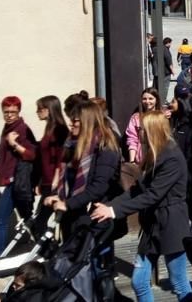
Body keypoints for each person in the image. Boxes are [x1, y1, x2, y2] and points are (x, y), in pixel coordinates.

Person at [90, 111, 192, 302]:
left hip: (171, 224)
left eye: (141, 129)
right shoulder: (156, 153)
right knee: (139, 281)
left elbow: (152, 195)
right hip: (153, 225)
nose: (139, 132)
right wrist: (110, 206)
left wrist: (113, 211)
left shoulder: (172, 157)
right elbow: (138, 189)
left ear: (153, 129)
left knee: (179, 283)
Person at [44, 99, 123, 299]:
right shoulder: (75, 144)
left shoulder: (105, 146)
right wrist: (57, 197)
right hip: (76, 216)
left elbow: (98, 188)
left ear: (87, 121)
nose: (72, 125)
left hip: (96, 217)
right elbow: (67, 178)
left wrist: (67, 203)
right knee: (78, 270)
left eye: (76, 121)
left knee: (97, 271)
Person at [0, 96, 38, 256]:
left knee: (0, 219)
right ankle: (47, 247)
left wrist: (14, 144)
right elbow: (1, 156)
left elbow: (32, 155)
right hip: (12, 181)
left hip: (18, 182)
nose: (9, 115)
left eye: (13, 112)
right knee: (28, 219)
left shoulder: (22, 129)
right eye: (6, 112)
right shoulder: (7, 128)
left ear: (19, 111)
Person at [34, 95, 69, 197]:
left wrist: (57, 177)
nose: (37, 112)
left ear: (48, 110)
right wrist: (40, 181)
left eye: (40, 109)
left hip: (54, 181)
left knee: (48, 212)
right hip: (47, 180)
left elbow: (61, 156)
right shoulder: (50, 128)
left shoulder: (59, 130)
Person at [125, 88, 162, 164]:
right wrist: (132, 161)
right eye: (144, 99)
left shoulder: (162, 117)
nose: (147, 101)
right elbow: (132, 139)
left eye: (151, 98)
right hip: (141, 161)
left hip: (159, 159)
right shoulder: (136, 118)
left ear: (156, 100)